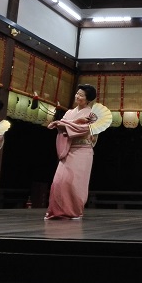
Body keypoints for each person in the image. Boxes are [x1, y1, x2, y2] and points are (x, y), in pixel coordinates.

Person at [45, 84, 98, 220]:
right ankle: (56, 211)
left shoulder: (92, 115)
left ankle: (75, 211)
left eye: (81, 95)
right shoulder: (69, 112)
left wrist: (66, 125)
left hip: (82, 151)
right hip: (68, 149)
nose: (77, 96)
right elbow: (62, 127)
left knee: (75, 183)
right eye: (77, 93)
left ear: (88, 99)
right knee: (59, 181)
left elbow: (84, 130)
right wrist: (72, 123)